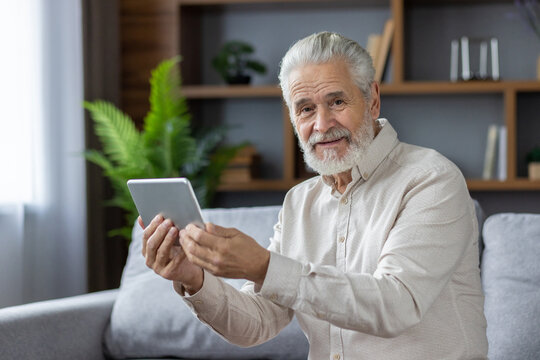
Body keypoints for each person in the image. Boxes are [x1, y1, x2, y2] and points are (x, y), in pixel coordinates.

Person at [140, 32, 488, 359]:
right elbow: (258, 322)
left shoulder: (431, 179)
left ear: (373, 100)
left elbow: (396, 305)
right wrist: (193, 278)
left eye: (336, 101)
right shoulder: (299, 202)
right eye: (305, 108)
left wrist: (263, 266)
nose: (321, 125)